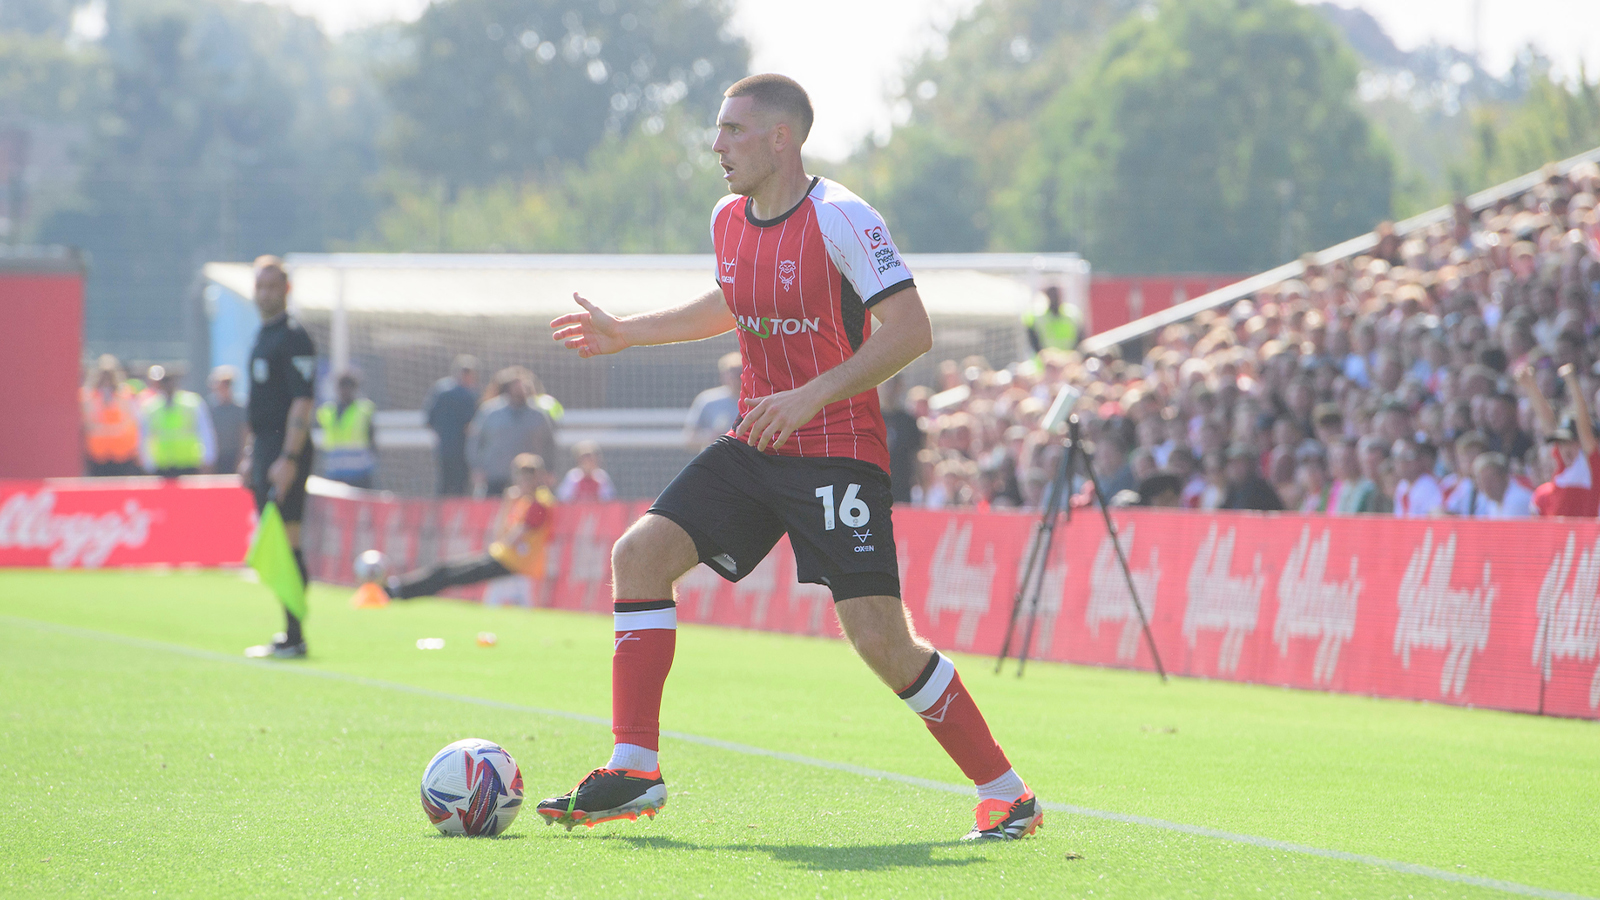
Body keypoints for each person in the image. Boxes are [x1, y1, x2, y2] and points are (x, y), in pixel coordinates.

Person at [541, 74, 1040, 842]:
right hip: (756, 442)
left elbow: (910, 331)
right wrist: (627, 331)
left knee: (880, 639)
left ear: (783, 139)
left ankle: (1007, 794)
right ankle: (635, 766)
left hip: (838, 453)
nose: (718, 145)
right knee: (638, 555)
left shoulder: (844, 218)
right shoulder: (725, 217)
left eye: (734, 131)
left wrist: (811, 396)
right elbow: (731, 300)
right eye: (719, 130)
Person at [243, 255, 317, 660]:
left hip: (286, 453)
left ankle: (295, 635)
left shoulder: (293, 337)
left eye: (273, 286)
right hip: (266, 451)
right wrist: (252, 453)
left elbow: (302, 402)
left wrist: (289, 457)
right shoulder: (262, 335)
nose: (265, 293)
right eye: (260, 286)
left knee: (288, 542)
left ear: (286, 290)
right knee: (278, 542)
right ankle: (290, 632)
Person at [384, 453, 555, 602]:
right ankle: (398, 589)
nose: (521, 483)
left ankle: (398, 591)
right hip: (505, 558)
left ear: (535, 479)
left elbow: (509, 539)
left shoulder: (538, 504)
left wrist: (508, 504)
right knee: (445, 571)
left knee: (446, 574)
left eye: (526, 478)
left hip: (512, 563)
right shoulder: (527, 501)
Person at [1519, 363, 1600, 517]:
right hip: (1559, 539)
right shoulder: (1563, 467)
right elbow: (1548, 423)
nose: (1564, 448)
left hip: (1583, 539)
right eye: (1562, 443)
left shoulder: (1590, 467)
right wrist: (1530, 385)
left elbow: (1585, 429)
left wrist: (1572, 382)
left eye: (1570, 442)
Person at [468, 366, 557, 497]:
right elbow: (475, 440)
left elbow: (549, 444)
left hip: (529, 480)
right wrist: (476, 468)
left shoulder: (538, 415)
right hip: (496, 476)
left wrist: (549, 470)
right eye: (517, 386)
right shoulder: (490, 412)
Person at [138, 364, 215, 478]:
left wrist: (208, 458)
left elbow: (205, 431)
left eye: (170, 382)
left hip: (188, 463)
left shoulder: (192, 403)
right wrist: (148, 463)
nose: (168, 385)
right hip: (162, 465)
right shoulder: (151, 407)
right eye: (164, 382)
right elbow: (145, 436)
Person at [424, 355, 479, 496]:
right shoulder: (467, 395)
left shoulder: (439, 390)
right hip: (462, 449)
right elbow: (470, 425)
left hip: (443, 447)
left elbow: (428, 420)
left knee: (444, 485)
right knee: (460, 487)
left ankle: (440, 516)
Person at [80, 355, 142, 476]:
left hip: (122, 454)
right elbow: (89, 425)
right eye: (103, 374)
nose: (106, 378)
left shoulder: (124, 395)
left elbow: (128, 422)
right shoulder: (89, 396)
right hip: (97, 454)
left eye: (109, 374)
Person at [317, 370, 378, 489]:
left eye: (348, 387)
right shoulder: (327, 411)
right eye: (342, 387)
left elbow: (372, 439)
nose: (344, 391)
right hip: (334, 473)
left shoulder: (363, 411)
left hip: (359, 474)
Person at [880, 373, 924, 503]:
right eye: (885, 384)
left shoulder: (908, 421)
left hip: (902, 487)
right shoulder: (871, 419)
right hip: (876, 485)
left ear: (900, 387)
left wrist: (922, 487)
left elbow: (916, 456)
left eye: (892, 384)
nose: (889, 389)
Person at [683, 351, 743, 447]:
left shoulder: (757, 400)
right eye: (731, 371)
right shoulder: (707, 400)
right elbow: (690, 438)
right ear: (723, 375)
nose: (736, 377)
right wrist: (711, 436)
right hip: (716, 459)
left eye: (740, 371)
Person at [208, 365, 248, 476]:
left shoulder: (240, 408)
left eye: (227, 383)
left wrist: (241, 457)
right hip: (216, 457)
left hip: (234, 455)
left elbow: (244, 433)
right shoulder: (210, 409)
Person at [1022, 284, 1079, 356]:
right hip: (1045, 364)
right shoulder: (1038, 317)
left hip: (1069, 364)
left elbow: (1079, 341)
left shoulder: (1072, 315)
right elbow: (1033, 343)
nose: (1055, 298)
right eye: (1052, 294)